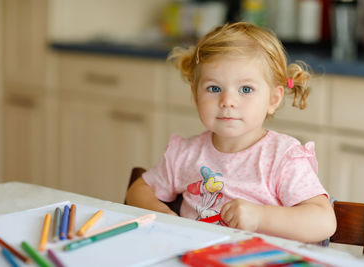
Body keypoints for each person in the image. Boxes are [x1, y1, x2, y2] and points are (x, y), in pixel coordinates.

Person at [126, 22, 336, 243]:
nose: (227, 101)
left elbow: (324, 221)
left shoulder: (283, 157)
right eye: (214, 88)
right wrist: (166, 216)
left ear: (273, 99)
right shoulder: (185, 154)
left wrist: (260, 217)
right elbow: (137, 191)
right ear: (195, 94)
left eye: (245, 89)